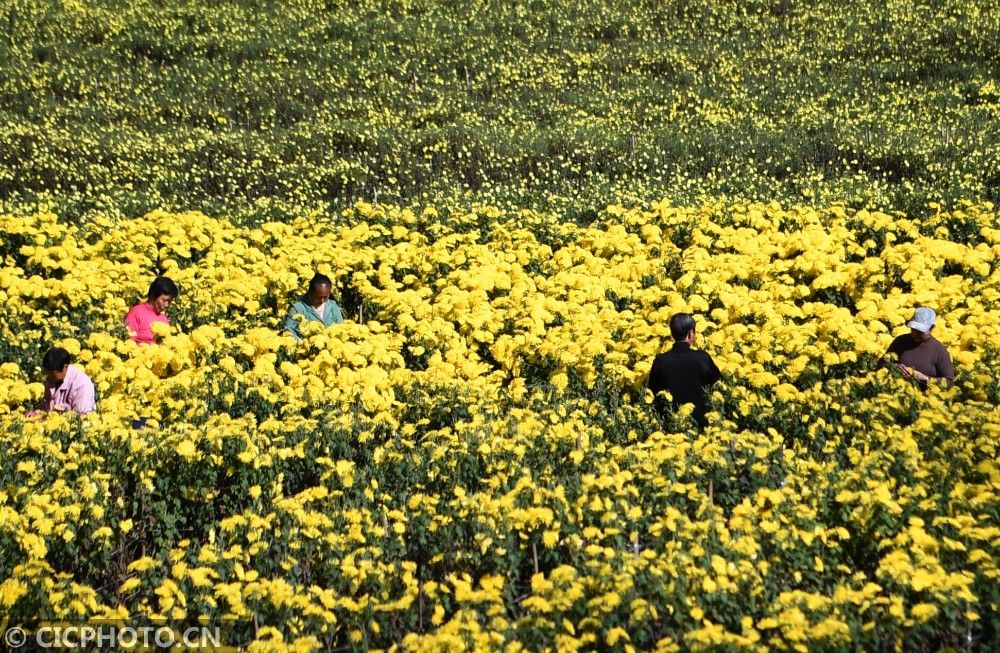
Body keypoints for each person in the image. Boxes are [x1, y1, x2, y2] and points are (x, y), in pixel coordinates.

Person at [647, 313, 722, 430]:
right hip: (700, 424)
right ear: (690, 333)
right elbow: (718, 383)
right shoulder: (702, 358)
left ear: (672, 333)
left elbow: (652, 391)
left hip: (670, 424)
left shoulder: (661, 361)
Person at [885, 307, 954, 388]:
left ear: (931, 328)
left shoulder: (939, 350)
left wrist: (924, 378)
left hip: (925, 398)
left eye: (920, 331)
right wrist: (895, 367)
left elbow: (949, 382)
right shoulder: (900, 341)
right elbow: (882, 363)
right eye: (914, 329)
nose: (915, 333)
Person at [28, 347, 96, 416]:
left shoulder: (82, 386)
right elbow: (46, 405)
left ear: (65, 367)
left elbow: (80, 419)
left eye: (52, 373)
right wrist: (36, 412)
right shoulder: (52, 378)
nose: (48, 376)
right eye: (47, 372)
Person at [283, 272, 345, 341]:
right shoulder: (298, 308)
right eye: (318, 297)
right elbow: (288, 331)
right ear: (310, 292)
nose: (322, 301)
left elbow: (341, 328)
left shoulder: (333, 306)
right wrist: (302, 343)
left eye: (325, 297)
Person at [125, 277, 178, 345]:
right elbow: (129, 344)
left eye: (169, 301)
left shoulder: (164, 319)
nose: (167, 305)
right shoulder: (136, 312)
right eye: (164, 300)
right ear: (153, 295)